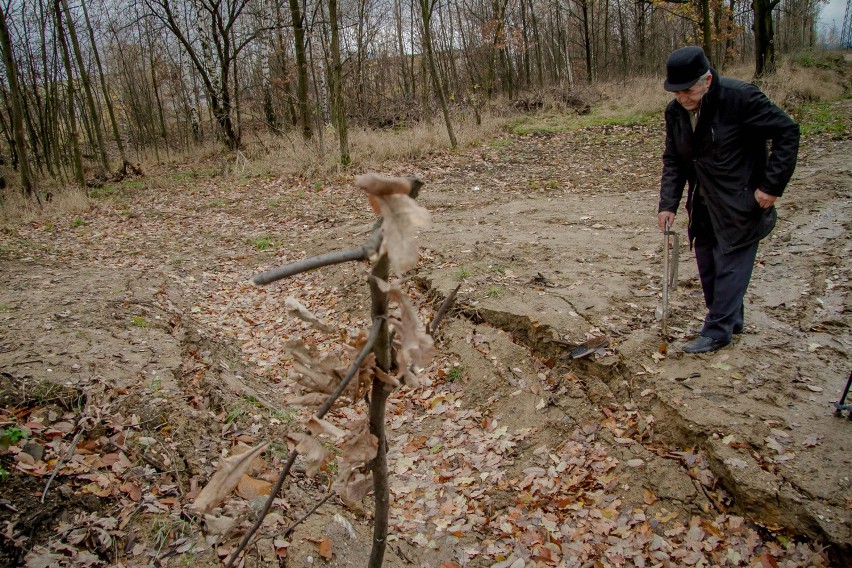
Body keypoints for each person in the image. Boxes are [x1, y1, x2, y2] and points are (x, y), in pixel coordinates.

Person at [658, 46, 800, 353]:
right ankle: (730, 320)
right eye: (676, 92)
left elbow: (787, 132)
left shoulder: (740, 98)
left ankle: (718, 331)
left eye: (688, 91)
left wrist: (771, 186)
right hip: (704, 202)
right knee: (708, 264)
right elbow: (674, 160)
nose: (682, 98)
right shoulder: (676, 113)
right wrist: (668, 204)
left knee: (731, 265)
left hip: (742, 201)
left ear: (707, 80)